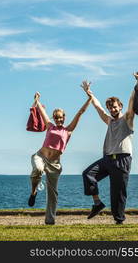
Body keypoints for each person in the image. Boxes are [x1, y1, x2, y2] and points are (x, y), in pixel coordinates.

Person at [81, 72, 138, 225]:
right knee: (88, 174)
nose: (112, 110)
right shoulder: (109, 121)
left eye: (114, 107)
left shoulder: (127, 119)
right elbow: (98, 107)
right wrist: (89, 93)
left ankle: (119, 220)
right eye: (110, 108)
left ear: (120, 106)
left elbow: (131, 100)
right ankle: (97, 204)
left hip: (122, 159)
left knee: (118, 193)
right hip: (108, 159)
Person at [28, 89, 93, 225]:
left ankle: (50, 221)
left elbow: (80, 112)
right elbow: (41, 111)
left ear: (64, 118)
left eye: (60, 117)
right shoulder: (50, 126)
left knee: (53, 194)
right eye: (56, 117)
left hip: (55, 164)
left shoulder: (68, 130)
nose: (58, 119)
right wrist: (37, 100)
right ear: (54, 118)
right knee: (38, 170)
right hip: (40, 156)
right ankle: (33, 192)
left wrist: (89, 98)